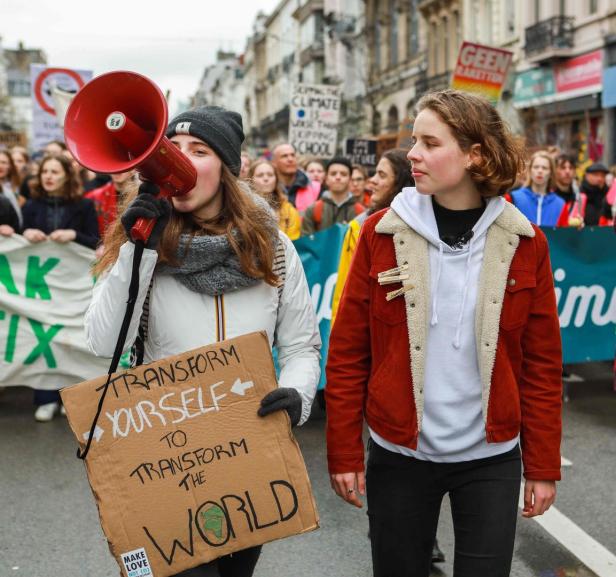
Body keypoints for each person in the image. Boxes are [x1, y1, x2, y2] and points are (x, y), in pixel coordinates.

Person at [326, 90, 562, 577]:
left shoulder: (524, 242)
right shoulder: (379, 233)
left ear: (474, 154)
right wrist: (344, 451)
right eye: (414, 140)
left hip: (491, 457)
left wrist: (541, 465)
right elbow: (349, 352)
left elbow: (540, 363)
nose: (413, 153)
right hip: (399, 452)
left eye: (430, 142)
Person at [85, 105, 321, 577]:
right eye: (175, 150)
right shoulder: (144, 242)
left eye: (200, 151)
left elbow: (300, 346)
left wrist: (298, 395)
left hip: (247, 455)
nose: (185, 161)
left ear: (228, 169)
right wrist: (137, 251)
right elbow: (102, 341)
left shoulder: (272, 247)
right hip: (167, 457)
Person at [21, 154, 100, 422]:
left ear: (67, 174)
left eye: (55, 171)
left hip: (71, 289)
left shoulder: (84, 206)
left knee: (69, 340)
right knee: (42, 340)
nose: (49, 176)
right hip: (41, 289)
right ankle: (45, 398)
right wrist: (26, 235)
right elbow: (20, 247)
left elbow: (94, 242)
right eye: (45, 171)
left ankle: (72, 395)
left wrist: (73, 236)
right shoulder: (31, 206)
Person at [331, 149, 413, 326]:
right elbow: (344, 298)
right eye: (375, 173)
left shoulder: (424, 229)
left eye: (381, 175)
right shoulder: (358, 227)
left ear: (400, 183)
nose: (372, 181)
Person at [301, 157, 365, 235]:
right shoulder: (312, 210)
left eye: (343, 174)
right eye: (333, 174)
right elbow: (306, 243)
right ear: (326, 178)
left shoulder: (361, 212)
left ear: (350, 179)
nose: (338, 177)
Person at [249, 158, 301, 240]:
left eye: (270, 175)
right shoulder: (243, 208)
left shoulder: (289, 210)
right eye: (260, 175)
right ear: (251, 180)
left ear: (276, 179)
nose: (266, 179)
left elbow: (293, 242)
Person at [510, 150, 565, 226]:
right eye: (536, 167)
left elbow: (565, 233)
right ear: (530, 170)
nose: (540, 171)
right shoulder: (514, 197)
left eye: (544, 168)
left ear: (551, 173)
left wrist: (576, 228)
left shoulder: (560, 204)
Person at [85, 170, 137, 237]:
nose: (118, 171)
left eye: (123, 166)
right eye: (115, 166)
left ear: (133, 170)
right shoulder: (94, 196)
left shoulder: (139, 199)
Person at [271, 143, 320, 212]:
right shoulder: (268, 188)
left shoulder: (315, 187)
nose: (290, 159)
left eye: (293, 155)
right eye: (284, 156)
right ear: (274, 162)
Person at [553, 153, 586, 228]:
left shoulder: (579, 198)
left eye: (571, 168)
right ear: (554, 171)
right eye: (563, 168)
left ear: (574, 172)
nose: (567, 171)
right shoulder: (547, 196)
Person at [0, 149, 23, 233]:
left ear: (10, 166)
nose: (0, 166)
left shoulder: (17, 187)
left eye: (4, 162)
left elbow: (18, 221)